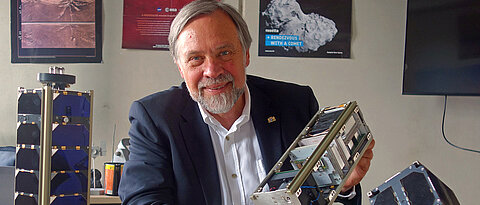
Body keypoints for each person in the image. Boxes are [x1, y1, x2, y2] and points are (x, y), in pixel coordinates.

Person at [118, 0, 375, 204]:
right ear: (180, 68)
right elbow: (143, 200)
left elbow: (316, 194)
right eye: (196, 59)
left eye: (225, 52)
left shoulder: (295, 105)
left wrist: (342, 186)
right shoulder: (155, 119)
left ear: (247, 54)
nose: (212, 71)